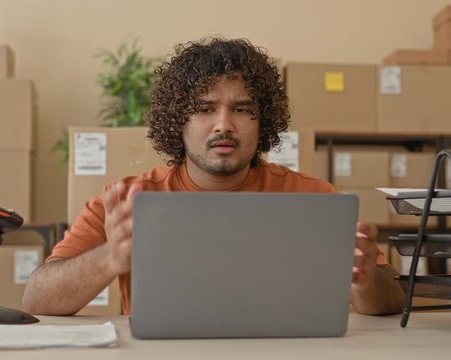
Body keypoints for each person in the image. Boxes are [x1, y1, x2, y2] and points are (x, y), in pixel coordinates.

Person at [22, 37, 405, 316]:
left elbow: (392, 299)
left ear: (263, 120)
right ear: (179, 121)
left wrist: (366, 279)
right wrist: (109, 258)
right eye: (205, 109)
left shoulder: (312, 197)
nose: (224, 125)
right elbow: (36, 299)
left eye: (242, 109)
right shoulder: (126, 201)